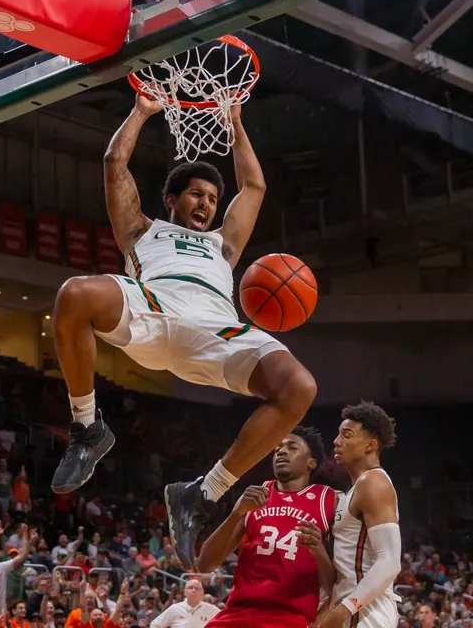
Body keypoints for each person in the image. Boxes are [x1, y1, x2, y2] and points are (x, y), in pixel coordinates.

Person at [48, 94, 317, 569]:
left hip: (216, 328)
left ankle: (200, 493)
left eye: (212, 199)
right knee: (74, 294)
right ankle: (88, 428)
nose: (207, 204)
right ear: (172, 199)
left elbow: (253, 186)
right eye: (196, 194)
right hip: (151, 306)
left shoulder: (223, 245)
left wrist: (234, 122)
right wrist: (142, 111)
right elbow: (114, 161)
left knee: (299, 387)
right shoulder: (140, 230)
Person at [197, 426, 335, 628]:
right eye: (278, 447)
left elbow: (335, 586)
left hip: (289, 618)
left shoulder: (329, 500)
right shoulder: (256, 495)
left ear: (311, 462)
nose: (281, 451)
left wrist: (318, 549)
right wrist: (237, 514)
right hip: (237, 613)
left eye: (292, 447)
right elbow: (204, 564)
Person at [314, 402, 401, 628]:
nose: (336, 441)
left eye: (347, 435)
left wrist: (342, 610)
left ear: (370, 445)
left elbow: (390, 561)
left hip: (365, 612)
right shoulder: (352, 491)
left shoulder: (373, 481)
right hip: (353, 610)